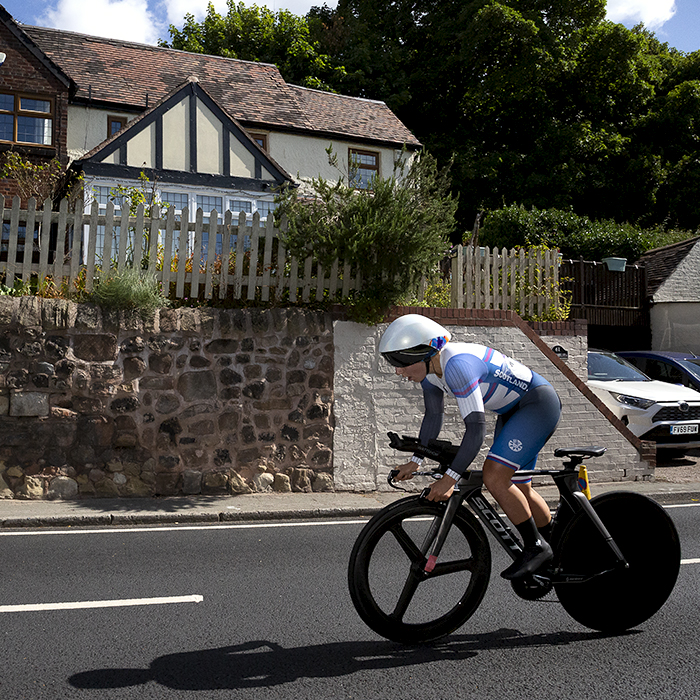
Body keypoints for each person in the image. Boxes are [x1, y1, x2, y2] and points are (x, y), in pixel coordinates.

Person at [378, 314, 562, 580]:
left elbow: (475, 430)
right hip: (512, 411)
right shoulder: (431, 372)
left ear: (423, 353)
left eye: (401, 363)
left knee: (494, 476)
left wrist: (449, 479)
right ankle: (557, 546)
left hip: (537, 405)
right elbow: (433, 418)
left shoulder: (457, 366)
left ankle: (537, 547)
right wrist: (415, 462)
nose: (398, 371)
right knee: (519, 490)